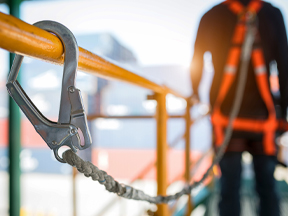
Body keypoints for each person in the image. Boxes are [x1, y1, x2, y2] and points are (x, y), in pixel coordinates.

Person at [190, 0, 288, 216]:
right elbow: (284, 65)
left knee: (229, 189)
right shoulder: (272, 14)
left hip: (225, 120)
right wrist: (283, 115)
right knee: (267, 187)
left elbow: (196, 61)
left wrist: (195, 93)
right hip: (264, 119)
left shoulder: (211, 16)